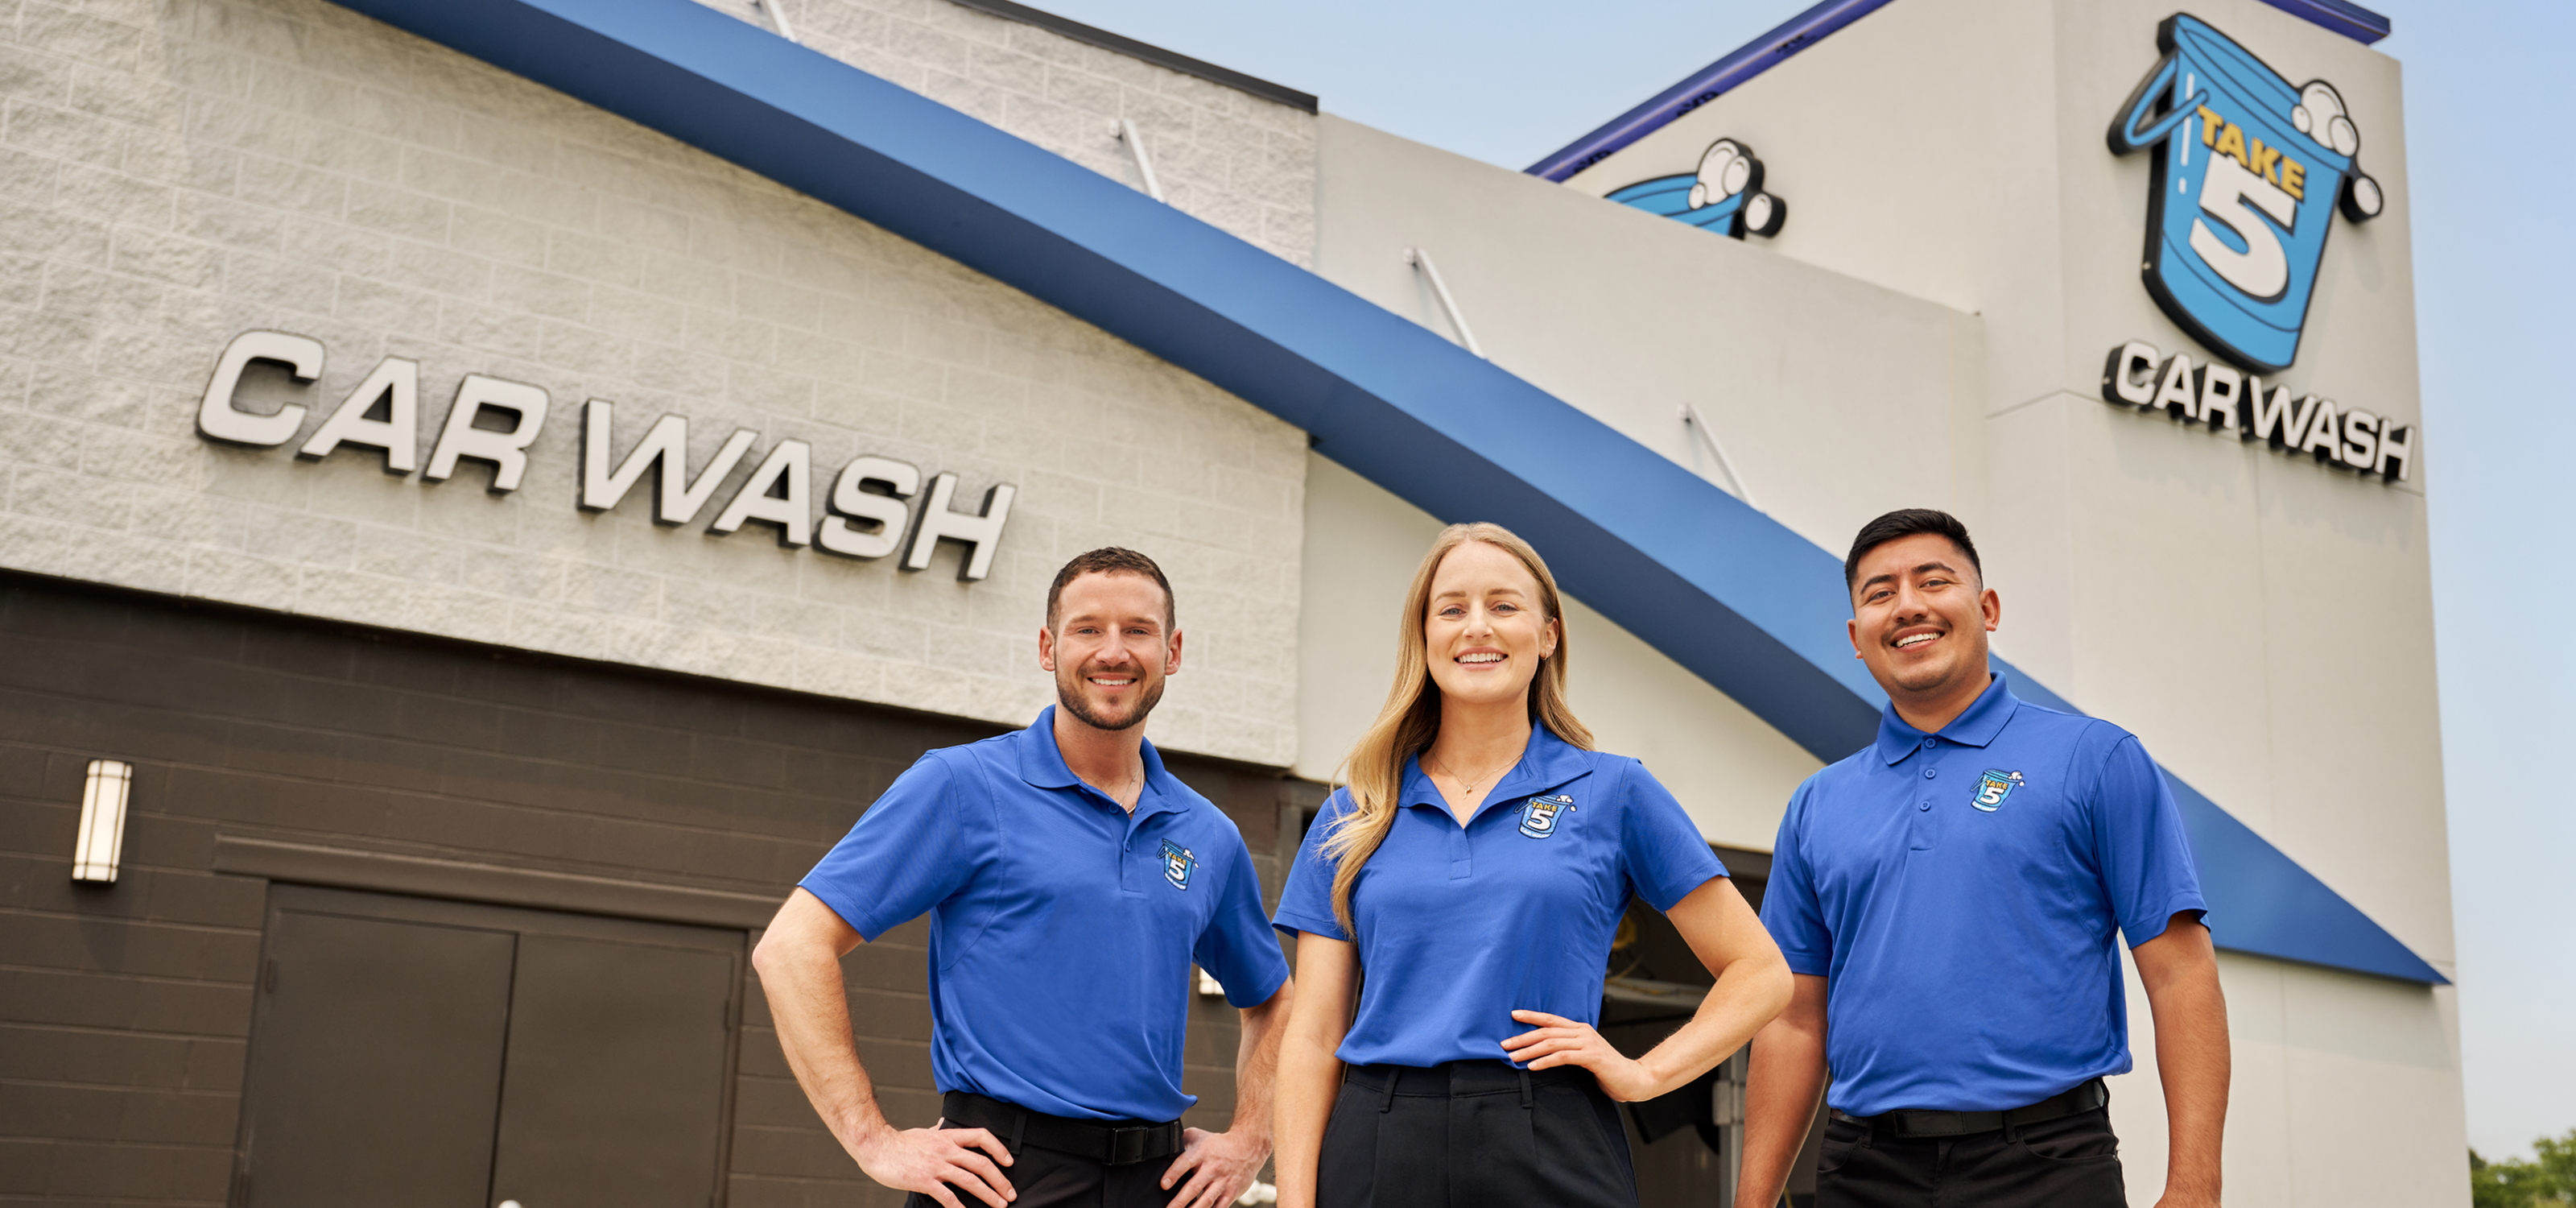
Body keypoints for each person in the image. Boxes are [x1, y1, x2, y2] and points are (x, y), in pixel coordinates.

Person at [1269, 522, 1794, 1208]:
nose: (1476, 627)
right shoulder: (1355, 813)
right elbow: (1311, 1038)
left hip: (1551, 1131)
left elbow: (1762, 973)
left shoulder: (1615, 791)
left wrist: (1643, 1073)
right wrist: (1294, 1200)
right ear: (1424, 638)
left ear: (1548, 635)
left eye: (1504, 606)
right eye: (1452, 609)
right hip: (1380, 1140)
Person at [753, 548, 1294, 1208]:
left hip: (1156, 1184)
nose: (1113, 651)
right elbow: (791, 947)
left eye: (1138, 630)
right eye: (1087, 629)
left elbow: (1275, 1001)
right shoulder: (961, 786)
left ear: (1172, 651)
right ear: (1047, 647)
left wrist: (1249, 1139)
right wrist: (873, 1139)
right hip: (1001, 1178)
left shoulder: (1207, 834)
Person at [1732, 508, 2230, 1208]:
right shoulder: (1818, 803)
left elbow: (2181, 974)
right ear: (1856, 638)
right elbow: (1794, 1018)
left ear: (1987, 608)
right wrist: (1752, 1200)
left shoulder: (2096, 759)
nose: (1908, 606)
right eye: (1879, 593)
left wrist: (2196, 1187)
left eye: (1932, 582)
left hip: (2047, 1164)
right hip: (1862, 1170)